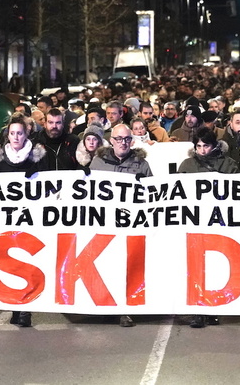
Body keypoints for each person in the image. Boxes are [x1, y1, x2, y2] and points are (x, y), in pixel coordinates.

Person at [0, 112, 49, 327]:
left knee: (29, 264)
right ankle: (17, 306)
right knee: (10, 264)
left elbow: (49, 182)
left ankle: (25, 310)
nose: (15, 137)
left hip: (30, 219)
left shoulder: (38, 156)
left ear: (26, 135)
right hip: (6, 220)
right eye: (12, 133)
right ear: (7, 135)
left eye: (19, 133)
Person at [90, 124, 152, 327]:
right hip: (105, 223)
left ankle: (124, 310)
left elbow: (152, 194)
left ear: (131, 141)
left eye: (126, 139)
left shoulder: (141, 163)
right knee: (106, 266)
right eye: (119, 139)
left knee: (126, 268)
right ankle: (105, 306)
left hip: (129, 225)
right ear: (111, 140)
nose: (123, 143)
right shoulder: (98, 162)